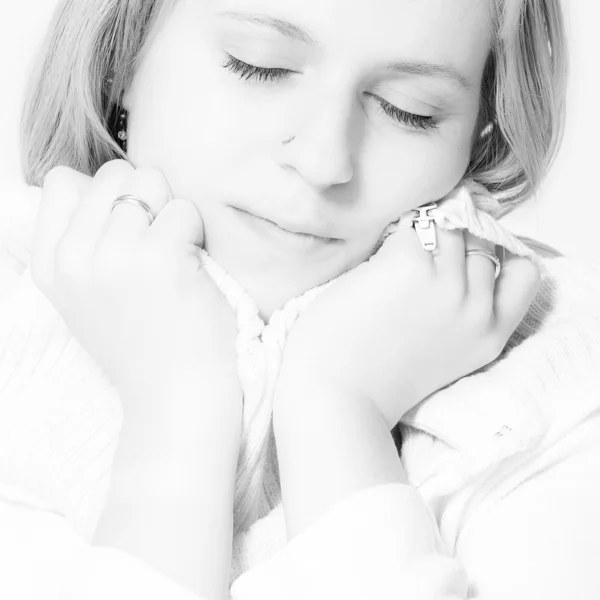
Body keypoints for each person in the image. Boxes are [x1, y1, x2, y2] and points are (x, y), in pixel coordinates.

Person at [1, 0, 599, 598]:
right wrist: (178, 400)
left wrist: (338, 410)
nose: (322, 161)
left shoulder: (563, 383)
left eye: (407, 111)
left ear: (478, 131)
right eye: (257, 67)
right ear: (120, 57)